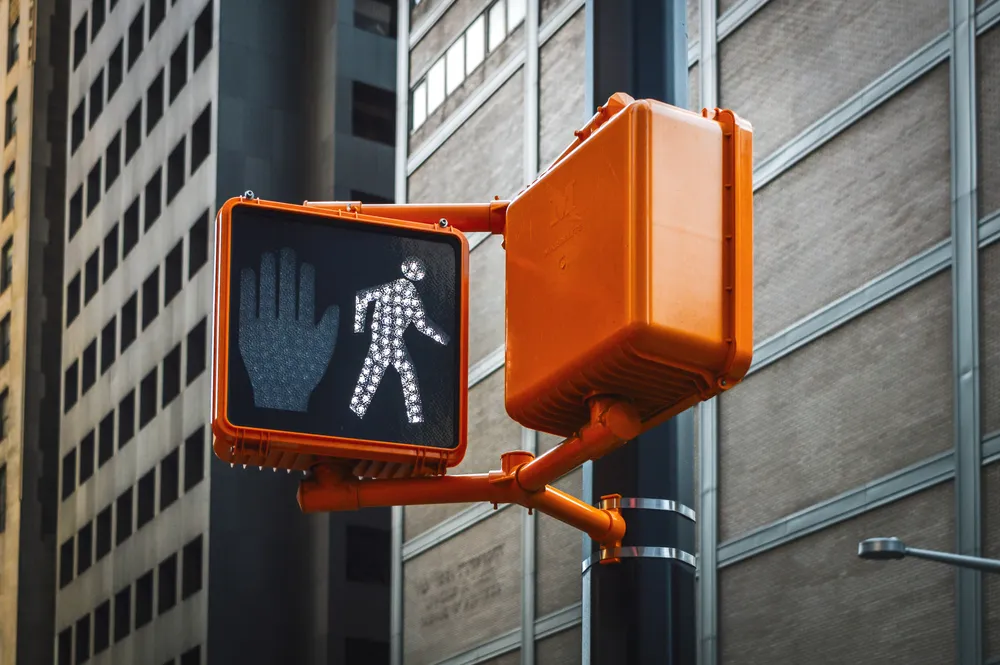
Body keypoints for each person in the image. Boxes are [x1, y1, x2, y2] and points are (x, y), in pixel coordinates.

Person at [350, 257, 449, 424]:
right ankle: (414, 419)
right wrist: (442, 339)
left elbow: (362, 297)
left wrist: (359, 328)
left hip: (387, 341)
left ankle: (356, 412)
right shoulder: (409, 295)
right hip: (388, 341)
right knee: (391, 373)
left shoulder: (391, 289)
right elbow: (422, 325)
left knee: (379, 374)